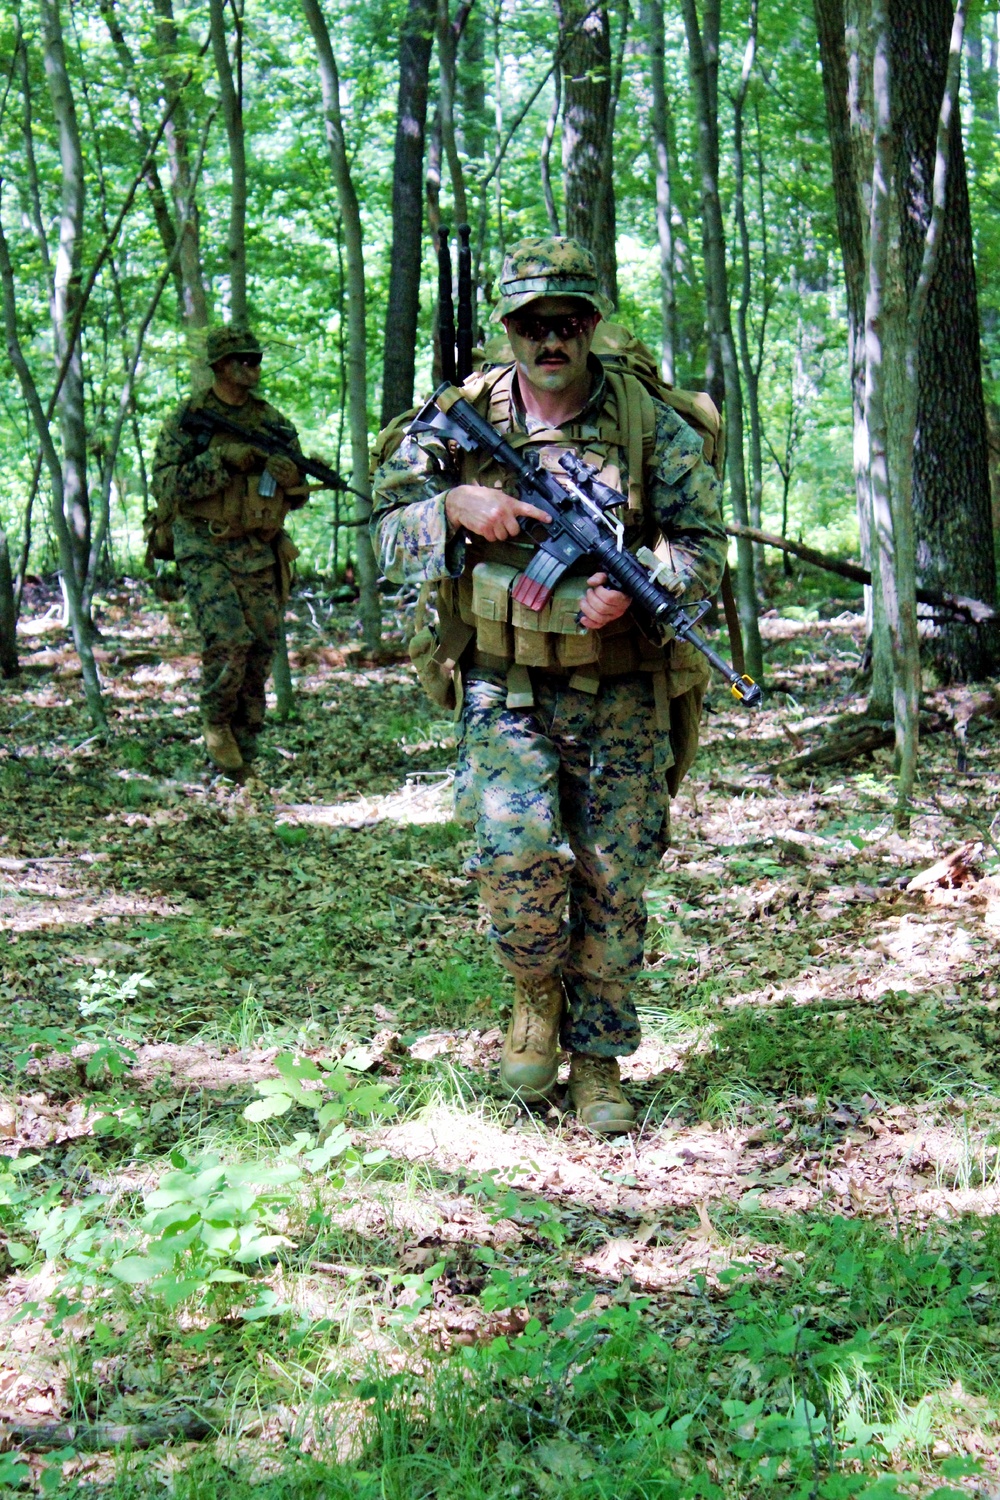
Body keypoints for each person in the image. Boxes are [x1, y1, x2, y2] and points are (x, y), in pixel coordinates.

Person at [371, 237, 727, 1133]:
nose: (552, 339)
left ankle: (599, 1057)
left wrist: (642, 589)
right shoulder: (459, 418)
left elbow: (703, 549)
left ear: (594, 327)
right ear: (508, 331)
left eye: (569, 321)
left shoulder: (654, 426)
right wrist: (452, 506)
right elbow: (381, 529)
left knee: (616, 878)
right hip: (506, 682)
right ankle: (534, 996)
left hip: (621, 687)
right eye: (533, 324)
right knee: (517, 860)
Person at [151, 327, 306, 774]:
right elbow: (165, 484)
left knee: (260, 644)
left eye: (255, 359)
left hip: (257, 546)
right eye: (242, 360)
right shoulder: (189, 418)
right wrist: (221, 460)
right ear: (219, 366)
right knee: (227, 637)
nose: (252, 367)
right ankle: (217, 724)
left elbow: (296, 494)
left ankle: (246, 740)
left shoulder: (272, 422)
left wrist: (285, 475)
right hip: (202, 541)